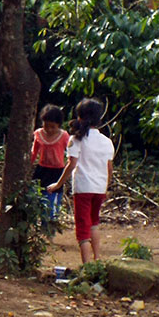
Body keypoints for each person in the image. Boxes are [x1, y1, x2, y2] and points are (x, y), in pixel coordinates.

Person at [48, 98, 114, 264]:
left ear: (79, 117)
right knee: (94, 223)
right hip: (100, 188)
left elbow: (71, 164)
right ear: (99, 119)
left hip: (83, 188)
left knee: (82, 230)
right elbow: (109, 169)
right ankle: (97, 260)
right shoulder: (107, 142)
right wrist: (106, 186)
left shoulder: (75, 139)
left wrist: (58, 184)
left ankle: (87, 267)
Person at [31, 104, 70, 222]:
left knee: (52, 202)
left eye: (53, 127)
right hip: (41, 170)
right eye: (46, 126)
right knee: (36, 198)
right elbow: (34, 152)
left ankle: (49, 227)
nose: (49, 129)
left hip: (57, 172)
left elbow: (71, 154)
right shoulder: (38, 134)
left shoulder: (64, 136)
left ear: (58, 125)